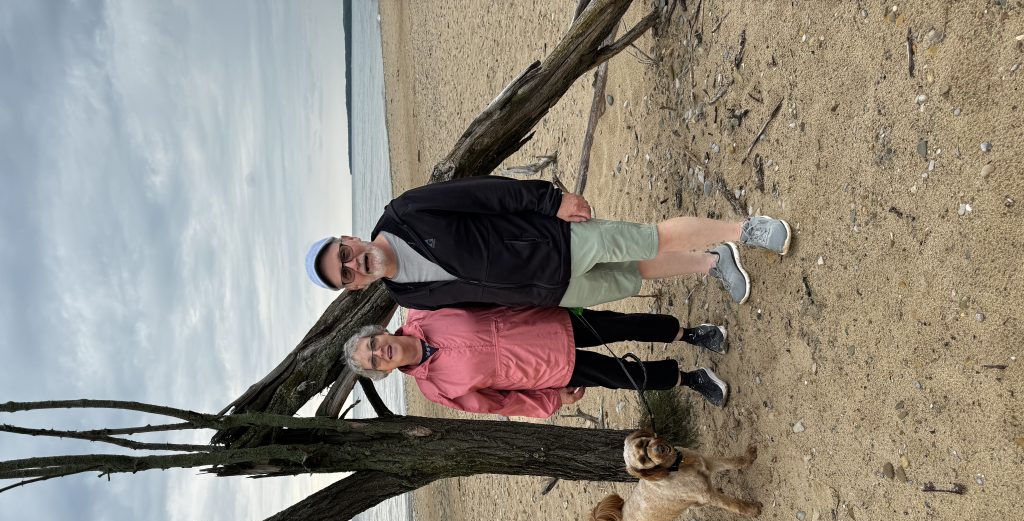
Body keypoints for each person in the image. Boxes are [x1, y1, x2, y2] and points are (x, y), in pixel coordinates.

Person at [304, 175, 791, 309]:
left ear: (349, 238)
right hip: (549, 291)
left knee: (649, 239)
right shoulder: (405, 296)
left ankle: (745, 230)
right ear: (354, 287)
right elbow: (477, 307)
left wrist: (549, 199)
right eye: (346, 274)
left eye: (345, 254)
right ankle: (713, 262)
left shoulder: (406, 212)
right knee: (637, 272)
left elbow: (483, 194)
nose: (354, 264)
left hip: (551, 239)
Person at [343, 306, 734, 418]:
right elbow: (498, 404)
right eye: (374, 360)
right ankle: (689, 378)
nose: (380, 352)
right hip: (547, 370)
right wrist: (551, 400)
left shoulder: (425, 310)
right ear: (383, 372)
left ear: (381, 332)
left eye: (374, 343)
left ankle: (689, 334)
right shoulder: (435, 389)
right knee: (622, 377)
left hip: (547, 320)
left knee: (623, 325)